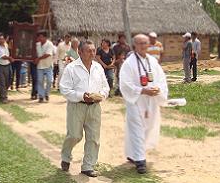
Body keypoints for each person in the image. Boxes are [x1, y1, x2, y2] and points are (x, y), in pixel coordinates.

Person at [59, 40, 110, 178]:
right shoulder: (71, 68)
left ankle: (88, 166)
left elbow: (106, 87)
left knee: (94, 138)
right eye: (89, 50)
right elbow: (64, 89)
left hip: (94, 107)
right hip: (77, 106)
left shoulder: (98, 68)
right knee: (74, 135)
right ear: (80, 52)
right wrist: (81, 96)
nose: (92, 53)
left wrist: (101, 95)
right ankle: (65, 156)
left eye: (93, 50)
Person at [120, 34, 168, 174]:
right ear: (134, 45)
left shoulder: (152, 61)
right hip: (136, 101)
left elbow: (161, 79)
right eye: (140, 43)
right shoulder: (129, 63)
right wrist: (142, 90)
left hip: (151, 101)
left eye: (145, 43)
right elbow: (125, 84)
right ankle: (140, 160)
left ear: (149, 44)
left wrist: (158, 89)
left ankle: (132, 154)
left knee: (147, 127)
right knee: (136, 129)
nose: (143, 46)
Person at [35, 31, 54, 103]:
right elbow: (34, 54)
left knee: (50, 80)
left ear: (45, 37)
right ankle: (41, 96)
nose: (40, 38)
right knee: (40, 81)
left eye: (41, 36)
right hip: (40, 66)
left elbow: (48, 54)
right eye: (39, 37)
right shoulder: (37, 44)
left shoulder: (49, 44)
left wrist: (38, 59)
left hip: (48, 65)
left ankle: (46, 93)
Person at [0, 34, 13, 104]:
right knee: (1, 82)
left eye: (2, 39)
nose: (1, 40)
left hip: (7, 65)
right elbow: (3, 57)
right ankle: (3, 97)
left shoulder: (6, 45)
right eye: (0, 39)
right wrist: (10, 58)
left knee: (8, 81)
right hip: (0, 66)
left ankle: (3, 94)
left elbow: (9, 53)